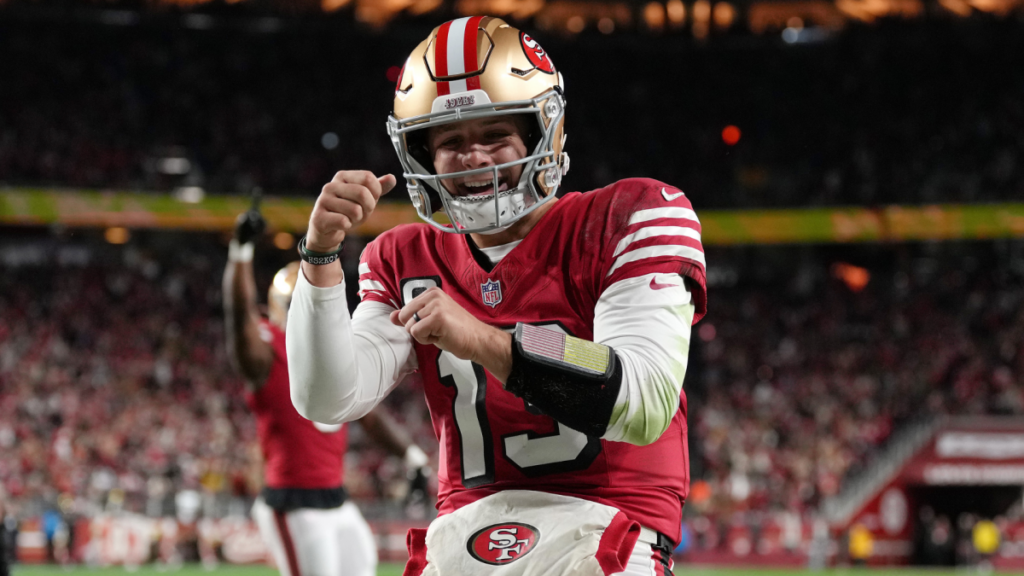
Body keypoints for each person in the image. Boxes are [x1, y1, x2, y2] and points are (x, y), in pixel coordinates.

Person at [287, 16, 707, 576]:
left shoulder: (628, 216)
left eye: (494, 135)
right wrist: (319, 256)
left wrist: (488, 341)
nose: (474, 157)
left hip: (607, 529)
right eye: (450, 141)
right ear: (420, 157)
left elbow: (643, 399)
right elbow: (326, 398)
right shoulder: (402, 257)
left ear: (541, 132)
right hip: (463, 534)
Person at [223, 208, 431, 576]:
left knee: (363, 567)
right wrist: (240, 252)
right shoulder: (268, 350)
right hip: (293, 501)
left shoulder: (335, 349)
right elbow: (240, 319)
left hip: (336, 498)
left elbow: (368, 414)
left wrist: (413, 457)